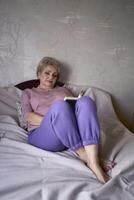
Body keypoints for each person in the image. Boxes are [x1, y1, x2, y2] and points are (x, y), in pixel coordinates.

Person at [21, 56, 115, 183]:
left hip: (66, 135)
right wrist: (55, 121)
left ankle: (93, 162)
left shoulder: (64, 90)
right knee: (59, 106)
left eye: (54, 75)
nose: (50, 77)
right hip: (41, 134)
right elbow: (28, 116)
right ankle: (86, 155)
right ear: (38, 74)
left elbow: (77, 111)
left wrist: (64, 120)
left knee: (86, 101)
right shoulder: (28, 92)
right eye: (47, 73)